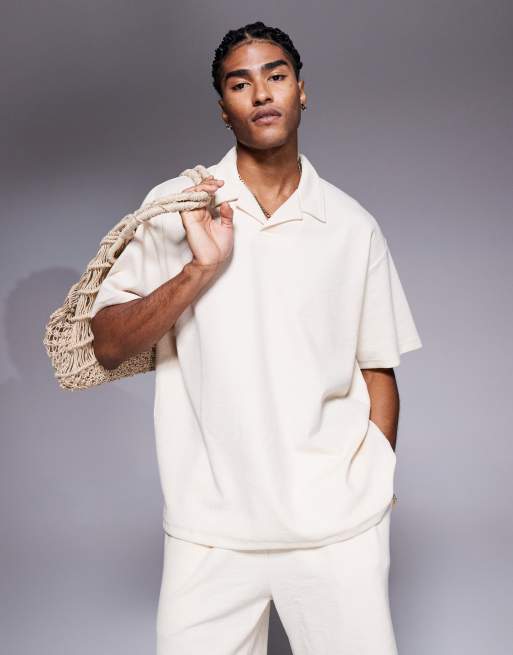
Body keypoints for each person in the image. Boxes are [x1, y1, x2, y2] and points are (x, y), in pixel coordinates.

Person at [90, 20, 422, 655]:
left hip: (334, 528)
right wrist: (200, 269)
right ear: (224, 109)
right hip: (209, 530)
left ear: (302, 91)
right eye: (240, 84)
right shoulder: (179, 206)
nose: (262, 93)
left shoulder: (351, 226)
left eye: (276, 76)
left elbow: (378, 368)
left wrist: (373, 484)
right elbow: (107, 344)